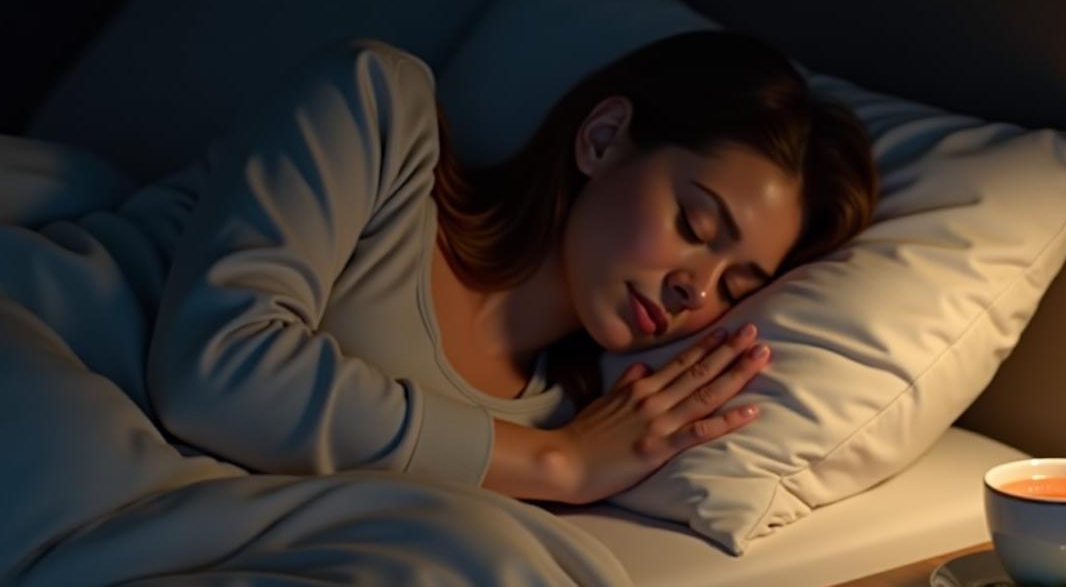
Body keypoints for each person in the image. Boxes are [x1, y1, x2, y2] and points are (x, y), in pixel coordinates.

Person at [146, 30, 878, 506]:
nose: (698, 287)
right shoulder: (378, 115)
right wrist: (555, 463)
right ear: (604, 137)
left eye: (736, 285)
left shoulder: (569, 423)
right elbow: (213, 369)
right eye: (695, 224)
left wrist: (564, 452)